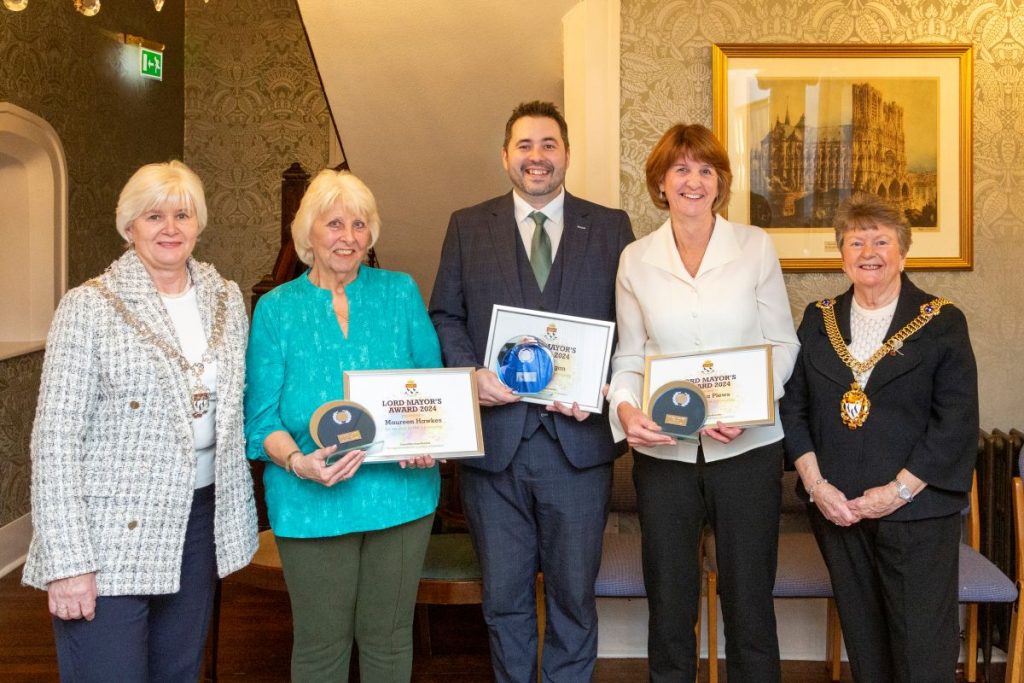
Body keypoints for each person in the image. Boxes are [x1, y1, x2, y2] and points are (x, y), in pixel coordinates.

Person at [22, 160, 258, 681]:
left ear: (199, 223)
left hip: (199, 518)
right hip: (107, 531)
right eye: (154, 217)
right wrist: (68, 562)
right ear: (129, 227)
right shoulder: (89, 307)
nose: (170, 228)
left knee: (178, 671)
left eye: (182, 214)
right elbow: (55, 439)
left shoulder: (226, 300)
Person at [429, 100, 634, 681]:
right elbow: (445, 313)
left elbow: (632, 324)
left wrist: (605, 382)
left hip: (578, 447)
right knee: (504, 602)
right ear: (505, 157)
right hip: (495, 448)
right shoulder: (468, 225)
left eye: (549, 144)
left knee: (574, 600)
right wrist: (472, 374)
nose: (537, 157)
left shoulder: (611, 226)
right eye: (525, 146)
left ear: (566, 154)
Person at [608, 123, 799, 682]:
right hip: (664, 457)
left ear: (720, 182)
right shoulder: (635, 260)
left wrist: (751, 406)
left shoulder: (755, 247)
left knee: (749, 601)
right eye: (681, 169)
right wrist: (624, 408)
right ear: (661, 183)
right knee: (669, 603)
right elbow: (631, 356)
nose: (693, 180)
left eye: (705, 170)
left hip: (749, 452)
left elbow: (783, 342)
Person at [244, 169, 441, 682]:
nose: (348, 238)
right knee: (320, 646)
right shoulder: (275, 309)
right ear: (308, 231)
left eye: (359, 225)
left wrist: (429, 441)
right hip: (309, 501)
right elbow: (260, 417)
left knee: (389, 641)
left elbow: (432, 388)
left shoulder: (400, 292)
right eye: (334, 224)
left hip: (401, 496)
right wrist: (298, 463)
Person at [780, 193, 978, 682]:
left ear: (903, 253)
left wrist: (897, 493)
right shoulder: (817, 318)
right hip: (838, 512)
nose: (868, 251)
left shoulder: (942, 321)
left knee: (920, 652)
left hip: (917, 515)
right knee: (865, 648)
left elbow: (954, 423)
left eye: (881, 240)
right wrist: (816, 486)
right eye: (855, 240)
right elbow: (793, 407)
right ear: (842, 254)